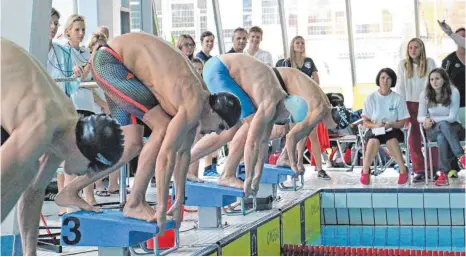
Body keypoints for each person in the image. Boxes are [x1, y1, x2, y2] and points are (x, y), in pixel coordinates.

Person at [55, 32, 241, 233]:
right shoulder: (193, 103)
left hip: (116, 64)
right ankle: (135, 202)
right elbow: (166, 156)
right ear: (214, 111)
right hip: (111, 62)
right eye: (220, 126)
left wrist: (178, 202)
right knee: (162, 127)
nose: (215, 132)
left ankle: (71, 190)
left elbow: (183, 154)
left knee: (132, 145)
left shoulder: (197, 104)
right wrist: (161, 207)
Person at [1, 38, 124, 255]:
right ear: (85, 149)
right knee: (18, 173)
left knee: (25, 176)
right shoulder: (40, 126)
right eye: (92, 168)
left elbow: (33, 194)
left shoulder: (65, 129)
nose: (86, 174)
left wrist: (30, 253)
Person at [191, 67, 350, 191]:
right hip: (263, 81)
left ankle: (194, 162)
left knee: (273, 130)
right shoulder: (319, 109)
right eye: (334, 129)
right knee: (244, 128)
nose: (332, 132)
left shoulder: (322, 106)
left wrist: (296, 161)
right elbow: (292, 137)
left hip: (269, 80)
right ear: (335, 123)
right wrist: (294, 165)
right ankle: (226, 172)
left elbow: (302, 133)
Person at [189, 54, 309, 194]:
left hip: (217, 68)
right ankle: (227, 174)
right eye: (286, 120)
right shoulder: (269, 105)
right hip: (220, 70)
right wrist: (249, 178)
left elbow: (263, 142)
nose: (282, 123)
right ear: (287, 109)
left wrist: (257, 176)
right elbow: (252, 143)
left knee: (232, 129)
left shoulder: (278, 101)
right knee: (249, 126)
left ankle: (185, 164)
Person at [276, 35, 330, 180]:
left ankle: (318, 167)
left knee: (311, 135)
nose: (300, 45)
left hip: (308, 103)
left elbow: (316, 81)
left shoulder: (309, 62)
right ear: (292, 45)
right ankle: (296, 163)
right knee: (296, 134)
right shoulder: (285, 62)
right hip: (293, 103)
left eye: (302, 43)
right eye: (297, 43)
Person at [395, 38, 436, 183]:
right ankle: (419, 170)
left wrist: (431, 104)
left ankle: (433, 169)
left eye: (416, 47)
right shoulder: (403, 64)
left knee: (431, 136)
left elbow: (433, 84)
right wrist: (401, 108)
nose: (413, 50)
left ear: (422, 49)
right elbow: (400, 87)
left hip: (427, 103)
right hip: (409, 105)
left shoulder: (430, 62)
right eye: (410, 47)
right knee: (414, 139)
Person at [360, 68, 410, 185]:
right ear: (378, 79)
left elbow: (402, 122)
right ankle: (365, 170)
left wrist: (391, 124)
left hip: (393, 129)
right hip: (375, 129)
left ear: (392, 81)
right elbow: (365, 122)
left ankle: (403, 170)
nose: (385, 81)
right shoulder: (371, 98)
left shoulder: (398, 98)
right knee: (373, 141)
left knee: (391, 140)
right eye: (383, 78)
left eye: (388, 78)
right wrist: (376, 124)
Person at [418, 68, 464, 186]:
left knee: (441, 137)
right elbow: (420, 117)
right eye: (431, 79)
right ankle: (461, 156)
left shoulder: (453, 92)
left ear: (444, 80)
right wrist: (426, 120)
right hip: (432, 129)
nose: (434, 82)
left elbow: (452, 118)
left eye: (437, 78)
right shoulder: (425, 94)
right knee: (441, 130)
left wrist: (431, 119)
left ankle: (443, 175)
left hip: (454, 128)